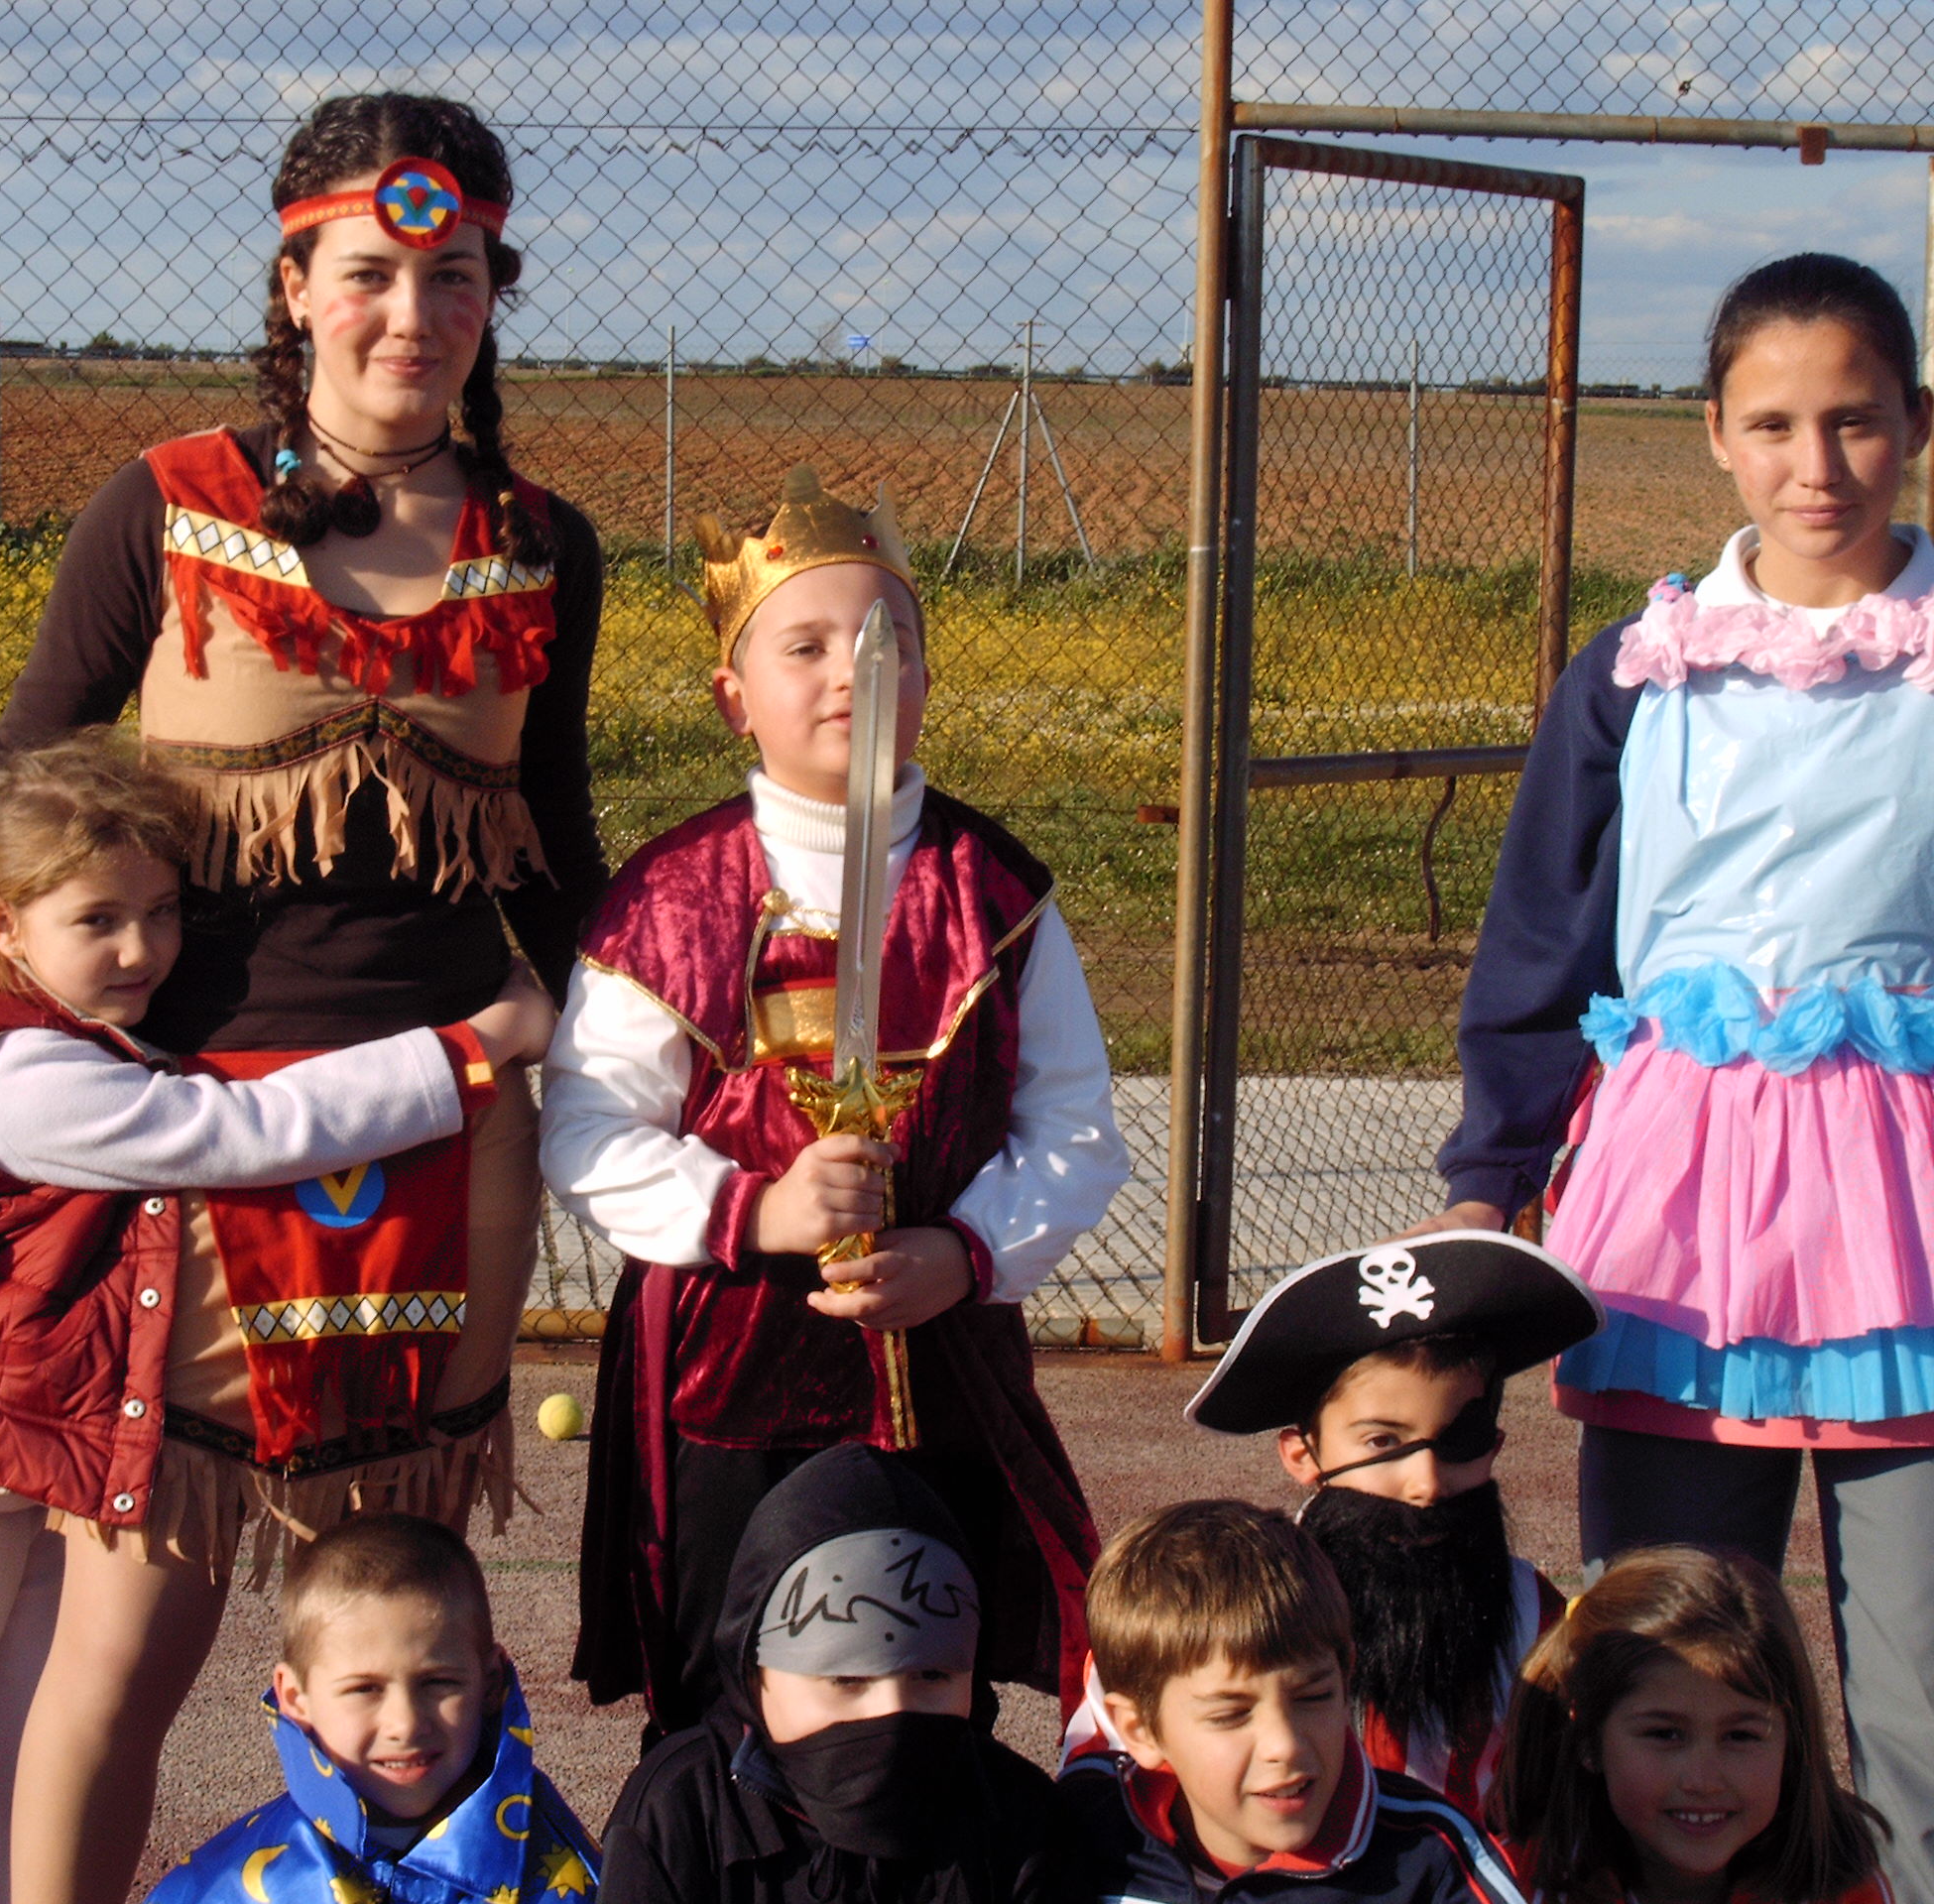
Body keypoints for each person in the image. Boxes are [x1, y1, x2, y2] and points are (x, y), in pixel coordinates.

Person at [0, 731, 550, 1904]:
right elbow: (232, 1133)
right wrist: (470, 1051)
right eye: (98, 921)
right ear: (2, 924)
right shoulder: (16, 1067)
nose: (142, 949)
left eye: (161, 911)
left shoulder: (66, 1015)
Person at [1424, 252, 1934, 1897]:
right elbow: (1541, 938)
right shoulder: (1639, 671)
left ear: (1918, 424)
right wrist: (1489, 1179)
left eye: (1856, 420)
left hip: (1910, 1221)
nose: (1816, 463)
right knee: (1664, 1667)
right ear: (1714, 432)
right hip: (1678, 1222)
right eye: (1773, 423)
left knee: (1924, 1689)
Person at [541, 466, 1129, 1733]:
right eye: (803, 646)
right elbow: (587, 1130)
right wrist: (754, 1211)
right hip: (731, 1371)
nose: (852, 674)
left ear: (927, 679)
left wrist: (965, 1254)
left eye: (886, 642)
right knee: (729, 1686)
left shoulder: (993, 893)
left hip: (941, 1358)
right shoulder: (669, 903)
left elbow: (1073, 1129)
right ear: (732, 696)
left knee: (931, 1666)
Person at [1130, 1231, 1600, 1815]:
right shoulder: (1228, 1604)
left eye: (1461, 1439)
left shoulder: (1533, 1610)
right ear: (1303, 1455)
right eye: (1383, 1442)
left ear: (1496, 1442)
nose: (1426, 1484)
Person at [600, 1441, 1069, 1904]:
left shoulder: (1019, 1817)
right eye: (847, 1681)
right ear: (754, 1676)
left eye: (932, 1676)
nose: (892, 1713)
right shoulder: (680, 1814)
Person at [1058, 1499, 1524, 1904]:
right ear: (1140, 1730)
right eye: (1230, 1714)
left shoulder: (1432, 1858)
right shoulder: (1083, 1827)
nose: (1284, 1743)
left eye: (1314, 1696)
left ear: (1346, 1678)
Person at [146, 1514, 601, 1904]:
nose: (405, 1724)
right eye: (364, 1689)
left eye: (438, 1682)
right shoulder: (230, 1886)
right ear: (296, 1699)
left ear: (490, 1681)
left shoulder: (561, 1872)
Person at [1493, 1544, 1890, 1904]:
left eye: (1740, 1736)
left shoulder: (1839, 1888)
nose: (1704, 1781)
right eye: (1665, 1734)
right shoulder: (1511, 1882)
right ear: (1588, 1738)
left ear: (1792, 1741)